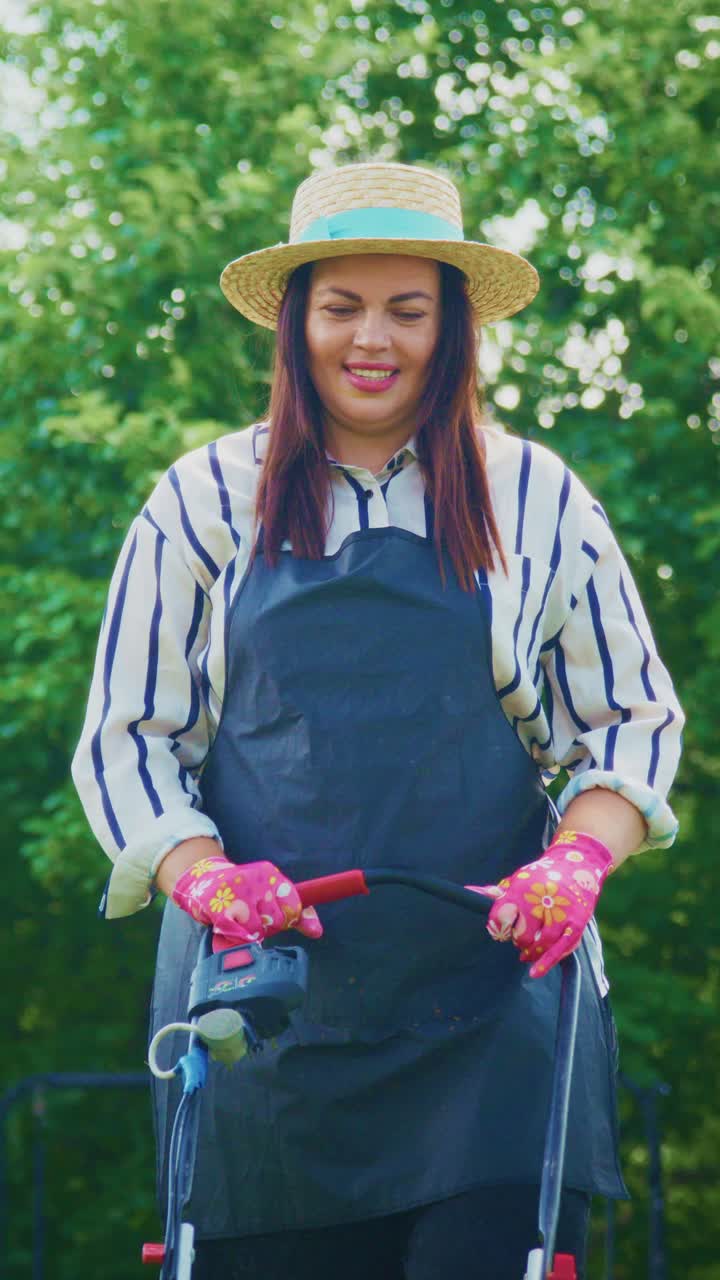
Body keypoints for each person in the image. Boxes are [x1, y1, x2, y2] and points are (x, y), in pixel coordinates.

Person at [71, 161, 684, 1280]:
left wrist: (581, 860)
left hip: (497, 1011)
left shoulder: (537, 494)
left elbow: (632, 721)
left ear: (450, 328)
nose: (374, 338)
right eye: (342, 304)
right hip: (262, 1013)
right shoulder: (202, 500)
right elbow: (128, 739)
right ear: (296, 318)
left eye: (408, 309)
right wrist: (203, 874)